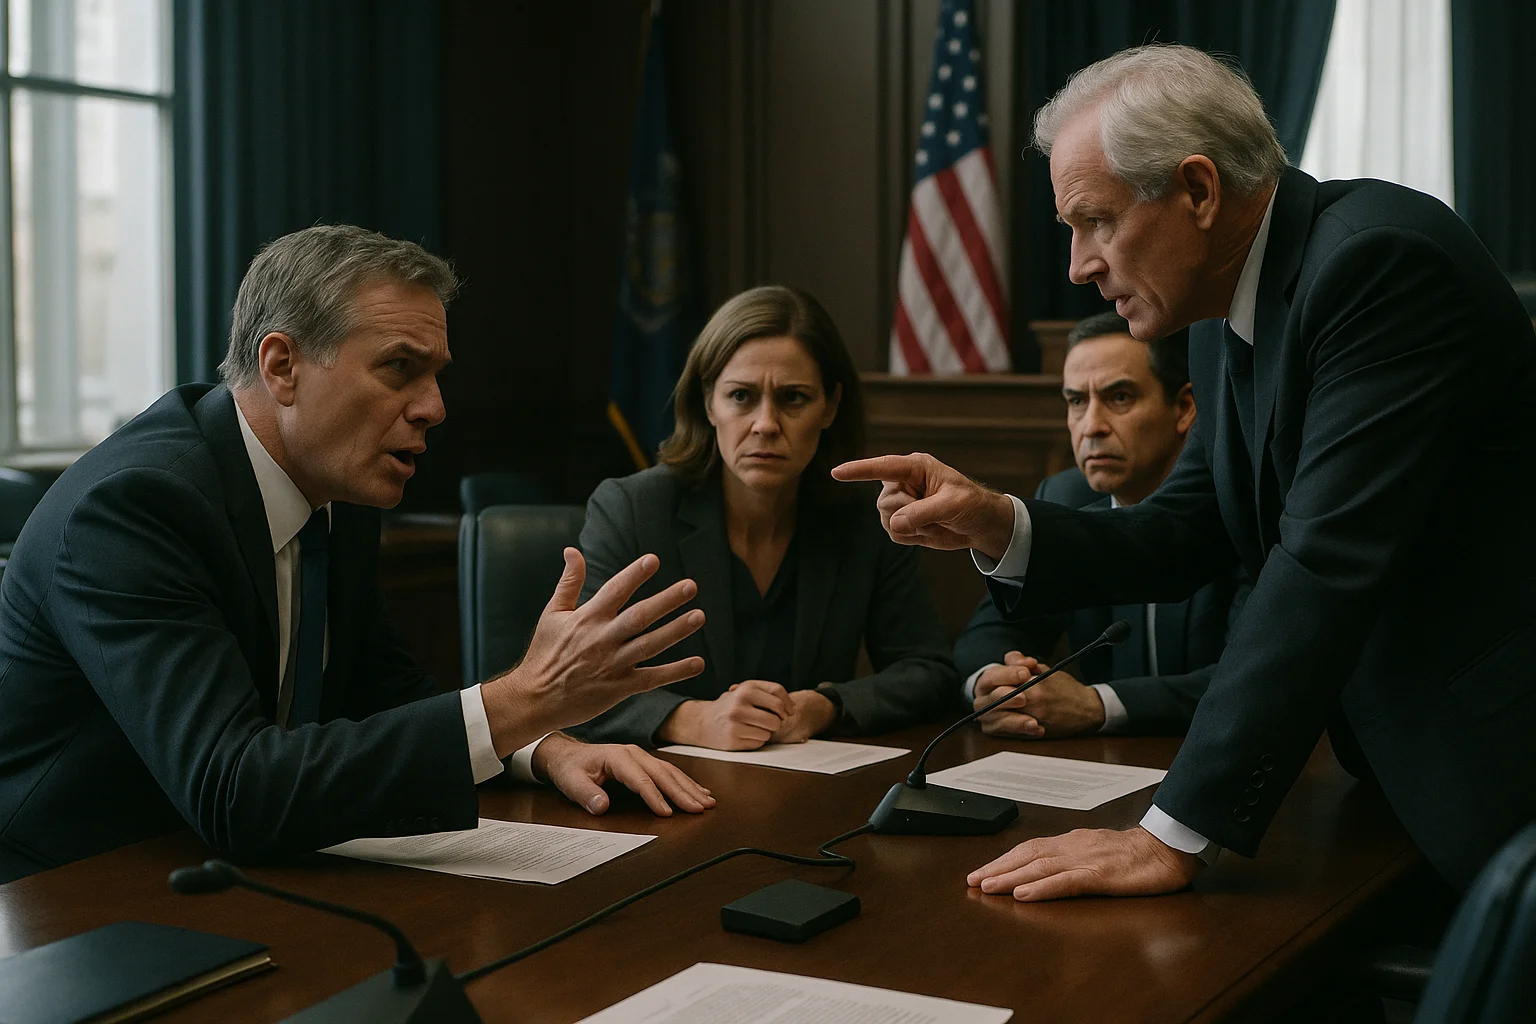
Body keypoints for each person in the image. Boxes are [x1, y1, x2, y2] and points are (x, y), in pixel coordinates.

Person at [834, 44, 1536, 901]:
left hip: (1499, 770)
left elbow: (1322, 566)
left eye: (1096, 222)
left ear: (1199, 191)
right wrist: (999, 521)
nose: (1078, 265)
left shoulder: (1377, 264)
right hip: (1396, 768)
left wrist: (1169, 835)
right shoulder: (1216, 312)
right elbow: (1184, 532)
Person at [0, 225, 716, 883]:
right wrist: (523, 698)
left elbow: (381, 687)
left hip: (225, 870)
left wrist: (540, 744)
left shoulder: (333, 485)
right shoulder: (135, 507)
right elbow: (235, 787)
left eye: (436, 374)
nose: (434, 407)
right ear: (282, 366)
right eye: (400, 368)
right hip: (73, 894)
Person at [570, 285, 956, 750]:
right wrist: (691, 720)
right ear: (708, 402)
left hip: (811, 779)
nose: (766, 424)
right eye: (741, 396)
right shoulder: (631, 510)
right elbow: (575, 681)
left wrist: (826, 706)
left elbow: (929, 671)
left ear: (830, 406)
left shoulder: (865, 517)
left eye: (793, 398)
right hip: (671, 779)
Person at [957, 312, 1248, 739]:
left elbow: (1252, 678)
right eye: (1076, 401)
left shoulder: (1237, 502)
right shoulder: (1065, 497)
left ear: (1185, 408)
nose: (1091, 426)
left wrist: (1096, 704)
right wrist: (999, 683)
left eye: (1120, 397)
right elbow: (987, 635)